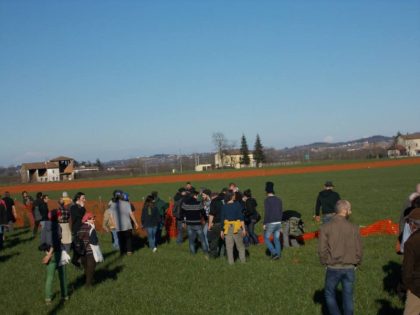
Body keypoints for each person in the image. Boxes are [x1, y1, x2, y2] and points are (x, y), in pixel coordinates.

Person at [318, 200, 363, 315]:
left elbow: (322, 249)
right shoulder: (354, 227)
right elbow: (359, 248)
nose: (351, 212)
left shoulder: (325, 227)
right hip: (349, 267)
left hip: (333, 267)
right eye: (350, 209)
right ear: (345, 210)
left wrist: (324, 262)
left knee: (329, 293)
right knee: (348, 295)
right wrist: (357, 262)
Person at [40, 209, 69, 304]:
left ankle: (48, 298)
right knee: (62, 276)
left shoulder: (44, 227)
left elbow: (42, 243)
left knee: (49, 277)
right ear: (56, 217)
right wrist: (50, 254)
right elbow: (56, 242)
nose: (61, 217)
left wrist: (47, 253)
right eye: (60, 215)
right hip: (58, 254)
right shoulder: (58, 226)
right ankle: (65, 296)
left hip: (48, 253)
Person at [402, 208, 420, 314]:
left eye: (409, 222)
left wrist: (407, 286)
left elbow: (407, 271)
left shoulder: (411, 243)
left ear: (413, 224)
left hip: (417, 288)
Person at [109, 190, 139, 256]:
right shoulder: (127, 204)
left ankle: (122, 252)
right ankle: (129, 252)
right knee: (128, 239)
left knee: (121, 239)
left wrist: (114, 224)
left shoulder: (112, 205)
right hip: (127, 225)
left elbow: (111, 216)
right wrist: (136, 223)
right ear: (122, 197)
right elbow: (131, 214)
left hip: (118, 226)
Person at [220, 190, 246, 264]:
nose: (235, 196)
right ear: (231, 196)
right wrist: (243, 229)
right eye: (234, 195)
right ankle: (243, 262)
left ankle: (231, 263)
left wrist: (222, 230)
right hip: (237, 227)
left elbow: (222, 219)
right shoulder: (237, 204)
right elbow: (241, 218)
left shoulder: (224, 207)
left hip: (227, 228)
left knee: (229, 247)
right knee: (240, 246)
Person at [181, 190, 208, 256]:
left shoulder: (185, 203)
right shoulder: (198, 203)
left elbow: (182, 213)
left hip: (189, 224)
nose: (198, 197)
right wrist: (206, 219)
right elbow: (203, 212)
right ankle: (206, 253)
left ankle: (193, 254)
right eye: (197, 195)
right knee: (202, 239)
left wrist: (183, 221)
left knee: (191, 240)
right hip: (197, 224)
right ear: (194, 196)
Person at [77, 212, 100, 286]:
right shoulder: (91, 228)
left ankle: (86, 281)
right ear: (87, 220)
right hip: (90, 251)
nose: (94, 220)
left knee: (86, 268)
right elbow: (94, 241)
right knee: (91, 268)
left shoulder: (81, 227)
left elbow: (78, 239)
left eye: (94, 218)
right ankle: (88, 285)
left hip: (82, 252)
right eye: (92, 219)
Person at [263, 182, 283, 260]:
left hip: (271, 222)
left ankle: (274, 253)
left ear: (266, 191)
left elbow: (267, 212)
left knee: (266, 238)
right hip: (278, 222)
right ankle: (278, 255)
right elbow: (281, 211)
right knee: (276, 239)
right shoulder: (279, 200)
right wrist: (280, 221)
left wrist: (264, 223)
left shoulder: (267, 200)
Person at [70, 192, 87, 267]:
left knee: (81, 246)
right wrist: (82, 207)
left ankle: (77, 260)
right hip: (76, 229)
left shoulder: (81, 207)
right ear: (78, 199)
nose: (84, 200)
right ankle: (76, 261)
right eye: (83, 198)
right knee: (78, 246)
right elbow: (80, 215)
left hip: (82, 229)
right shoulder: (73, 207)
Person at [207, 191, 225, 258]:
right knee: (223, 241)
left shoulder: (213, 202)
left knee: (214, 241)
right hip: (226, 223)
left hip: (217, 223)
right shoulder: (225, 200)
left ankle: (212, 256)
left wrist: (210, 224)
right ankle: (222, 256)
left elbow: (211, 214)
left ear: (213, 197)